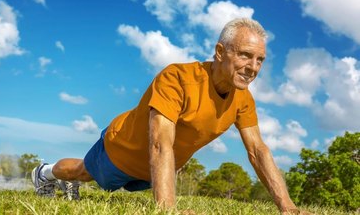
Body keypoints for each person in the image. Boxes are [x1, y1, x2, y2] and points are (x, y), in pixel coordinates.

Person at [32, 18, 310, 214]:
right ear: (220, 52)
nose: (253, 67)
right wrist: (167, 211)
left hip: (155, 173)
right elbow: (159, 143)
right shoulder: (177, 78)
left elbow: (258, 150)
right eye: (246, 55)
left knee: (88, 176)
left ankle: (65, 181)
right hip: (121, 151)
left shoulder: (244, 99)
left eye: (260, 59)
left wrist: (287, 207)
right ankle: (43, 173)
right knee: (84, 172)